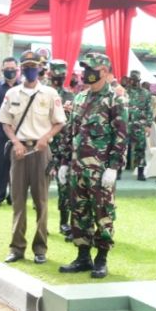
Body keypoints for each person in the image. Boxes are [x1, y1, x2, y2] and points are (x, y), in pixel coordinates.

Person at [58, 52, 128, 279]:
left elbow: (121, 135)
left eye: (92, 69)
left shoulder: (115, 99)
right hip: (78, 167)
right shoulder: (80, 98)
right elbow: (71, 132)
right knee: (79, 212)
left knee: (103, 213)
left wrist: (113, 167)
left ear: (105, 71)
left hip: (100, 170)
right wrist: (64, 162)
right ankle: (83, 256)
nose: (86, 73)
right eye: (85, 69)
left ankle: (101, 258)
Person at [0, 51, 66, 264]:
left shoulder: (50, 93)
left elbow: (60, 122)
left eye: (33, 66)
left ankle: (40, 249)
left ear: (40, 68)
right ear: (21, 69)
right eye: (26, 66)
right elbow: (5, 122)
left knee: (41, 201)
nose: (30, 70)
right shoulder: (12, 94)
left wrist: (46, 138)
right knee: (18, 201)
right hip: (19, 152)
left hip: (40, 151)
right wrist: (16, 142)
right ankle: (17, 248)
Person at [47, 59, 75, 236]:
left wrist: (70, 111)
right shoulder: (42, 93)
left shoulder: (71, 96)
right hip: (44, 146)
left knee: (65, 187)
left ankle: (64, 222)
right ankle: (40, 223)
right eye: (56, 74)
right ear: (50, 74)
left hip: (64, 148)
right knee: (39, 188)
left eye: (62, 74)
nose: (59, 77)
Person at [0, 57, 20, 203]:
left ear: (17, 69)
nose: (10, 71)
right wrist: (8, 123)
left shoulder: (24, 88)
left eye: (12, 68)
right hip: (1, 132)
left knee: (17, 166)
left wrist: (16, 125)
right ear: (2, 70)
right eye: (7, 69)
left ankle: (13, 196)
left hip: (20, 133)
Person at [124, 71, 153, 181]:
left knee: (140, 148)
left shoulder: (145, 93)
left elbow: (149, 110)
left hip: (139, 125)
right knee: (120, 147)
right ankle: (117, 171)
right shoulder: (124, 92)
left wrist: (148, 125)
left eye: (136, 80)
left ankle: (140, 172)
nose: (134, 82)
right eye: (132, 80)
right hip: (125, 124)